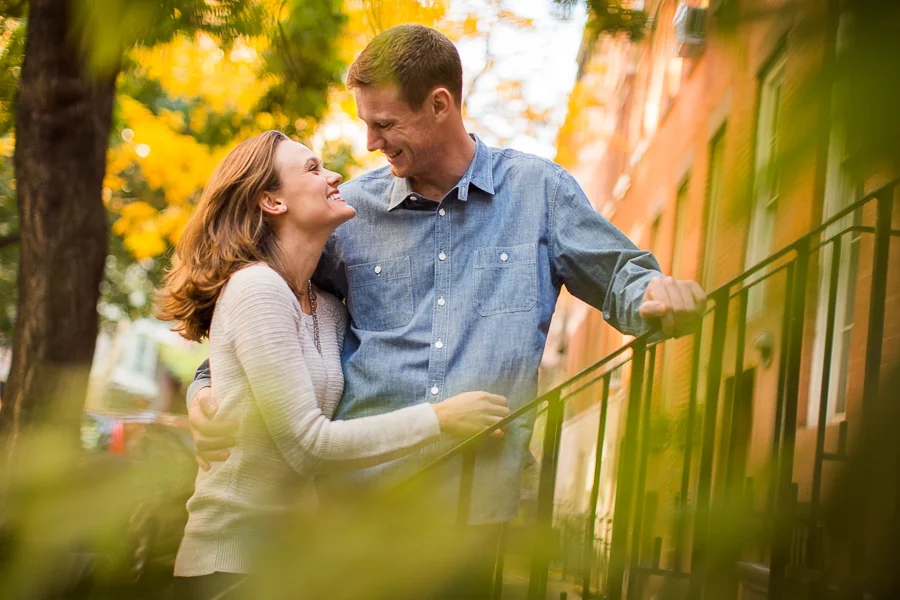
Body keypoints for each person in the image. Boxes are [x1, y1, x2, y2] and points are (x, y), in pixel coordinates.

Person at [187, 25, 706, 598]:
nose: (369, 143)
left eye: (384, 125)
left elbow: (623, 278)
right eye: (366, 123)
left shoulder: (537, 191)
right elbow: (276, 316)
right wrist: (206, 386)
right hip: (354, 507)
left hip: (473, 510)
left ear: (440, 104)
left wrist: (656, 292)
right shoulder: (348, 214)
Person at [156, 130, 509, 599]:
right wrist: (440, 419)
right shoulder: (255, 290)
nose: (335, 174)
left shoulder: (326, 307)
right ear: (272, 202)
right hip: (230, 566)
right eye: (312, 168)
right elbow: (308, 444)